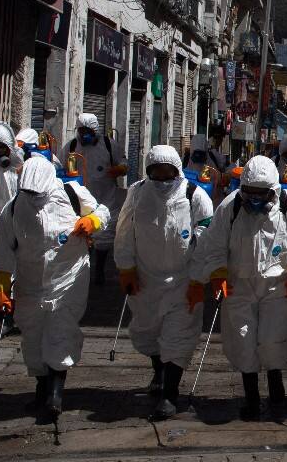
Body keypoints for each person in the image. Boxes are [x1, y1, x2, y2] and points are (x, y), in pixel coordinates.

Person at [191, 155, 287, 420]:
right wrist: (217, 273)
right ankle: (251, 397)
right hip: (239, 284)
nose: (256, 200)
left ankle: (274, 378)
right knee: (243, 341)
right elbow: (213, 245)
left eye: (262, 194)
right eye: (250, 193)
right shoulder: (230, 207)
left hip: (278, 285)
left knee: (273, 338)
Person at [0, 156, 110, 420]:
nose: (33, 196)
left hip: (68, 278)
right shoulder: (13, 209)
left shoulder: (71, 193)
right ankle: (41, 388)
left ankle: (55, 393)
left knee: (60, 331)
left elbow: (103, 212)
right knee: (32, 337)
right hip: (29, 284)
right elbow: (3, 253)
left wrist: (92, 222)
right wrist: (1, 288)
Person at [114, 145, 214, 419]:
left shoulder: (195, 196)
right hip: (146, 279)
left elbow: (207, 241)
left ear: (177, 170)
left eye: (167, 171)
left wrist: (198, 279)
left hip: (183, 281)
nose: (161, 177)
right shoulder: (136, 193)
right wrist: (126, 268)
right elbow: (123, 232)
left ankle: (170, 394)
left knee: (179, 336)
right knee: (147, 332)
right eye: (155, 172)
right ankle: (159, 369)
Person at [63, 112, 126, 284]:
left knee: (104, 237)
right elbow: (60, 166)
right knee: (83, 234)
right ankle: (86, 269)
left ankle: (99, 269)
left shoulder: (108, 145)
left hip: (106, 197)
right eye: (81, 131)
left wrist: (120, 169)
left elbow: (123, 162)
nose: (84, 135)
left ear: (95, 130)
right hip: (80, 201)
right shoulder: (71, 147)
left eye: (87, 131)